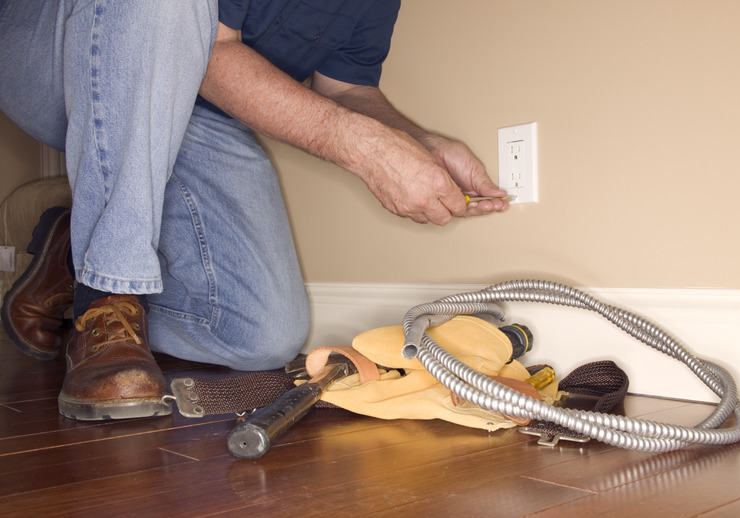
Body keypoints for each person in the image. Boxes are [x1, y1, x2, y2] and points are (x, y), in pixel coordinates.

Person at [0, 1, 509, 421]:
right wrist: (367, 150)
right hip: (77, 46)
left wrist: (416, 143)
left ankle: (75, 256)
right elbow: (210, 51)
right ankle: (104, 297)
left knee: (262, 335)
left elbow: (346, 87)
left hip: (203, 111)